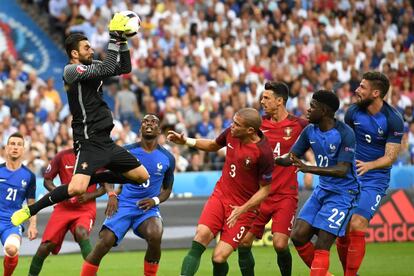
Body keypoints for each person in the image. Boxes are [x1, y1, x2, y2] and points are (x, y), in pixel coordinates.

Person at [11, 13, 149, 226]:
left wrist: (122, 41)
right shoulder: (71, 71)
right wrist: (114, 37)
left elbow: (123, 68)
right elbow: (107, 68)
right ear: (74, 53)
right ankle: (31, 210)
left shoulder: (91, 66)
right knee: (75, 188)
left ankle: (95, 178)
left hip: (106, 141)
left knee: (142, 176)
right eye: (87, 48)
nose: (91, 50)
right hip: (88, 140)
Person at [168, 107, 274, 276]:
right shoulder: (232, 132)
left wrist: (243, 209)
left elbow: (265, 190)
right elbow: (212, 145)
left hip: (242, 209)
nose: (232, 126)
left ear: (250, 130)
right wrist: (186, 141)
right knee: (201, 236)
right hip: (220, 195)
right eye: (233, 121)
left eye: (237, 124)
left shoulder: (264, 153)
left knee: (218, 258)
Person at [276, 90, 359, 276]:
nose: (307, 110)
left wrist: (309, 169)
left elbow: (342, 169)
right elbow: (292, 157)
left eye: (312, 107)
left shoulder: (345, 133)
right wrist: (272, 158)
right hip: (322, 190)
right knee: (298, 236)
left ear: (323, 111)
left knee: (322, 243)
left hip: (343, 194)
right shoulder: (310, 131)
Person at [81, 114, 175, 276]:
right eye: (145, 121)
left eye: (154, 122)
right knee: (104, 242)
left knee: (155, 234)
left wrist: (154, 200)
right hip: (123, 204)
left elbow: (167, 190)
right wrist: (111, 194)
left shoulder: (168, 158)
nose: (149, 124)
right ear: (140, 128)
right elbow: (105, 173)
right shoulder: (126, 151)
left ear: (159, 130)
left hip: (147, 209)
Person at [336, 71, 404, 276]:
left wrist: (369, 165)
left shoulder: (393, 119)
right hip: (351, 177)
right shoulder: (352, 113)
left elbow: (390, 156)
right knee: (342, 232)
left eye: (362, 87)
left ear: (376, 93)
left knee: (358, 223)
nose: (357, 90)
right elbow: (344, 142)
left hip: (375, 178)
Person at [238, 82, 307, 276]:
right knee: (244, 243)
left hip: (285, 195)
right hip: (260, 195)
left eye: (266, 98)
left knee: (279, 244)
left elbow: (319, 140)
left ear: (280, 101)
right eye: (262, 97)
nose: (262, 101)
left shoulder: (300, 125)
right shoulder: (258, 125)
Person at [28, 148, 112, 276]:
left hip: (85, 207)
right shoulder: (62, 156)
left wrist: (89, 196)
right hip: (63, 207)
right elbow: (47, 180)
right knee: (45, 247)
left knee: (81, 232)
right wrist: (60, 193)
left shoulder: (95, 156)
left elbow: (104, 186)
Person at [0, 132, 37, 276]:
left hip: (12, 222)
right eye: (12, 144)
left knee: (12, 249)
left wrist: (32, 225)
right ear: (6, 148)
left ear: (23, 149)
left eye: (19, 145)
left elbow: (31, 204)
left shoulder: (29, 176)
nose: (15, 147)